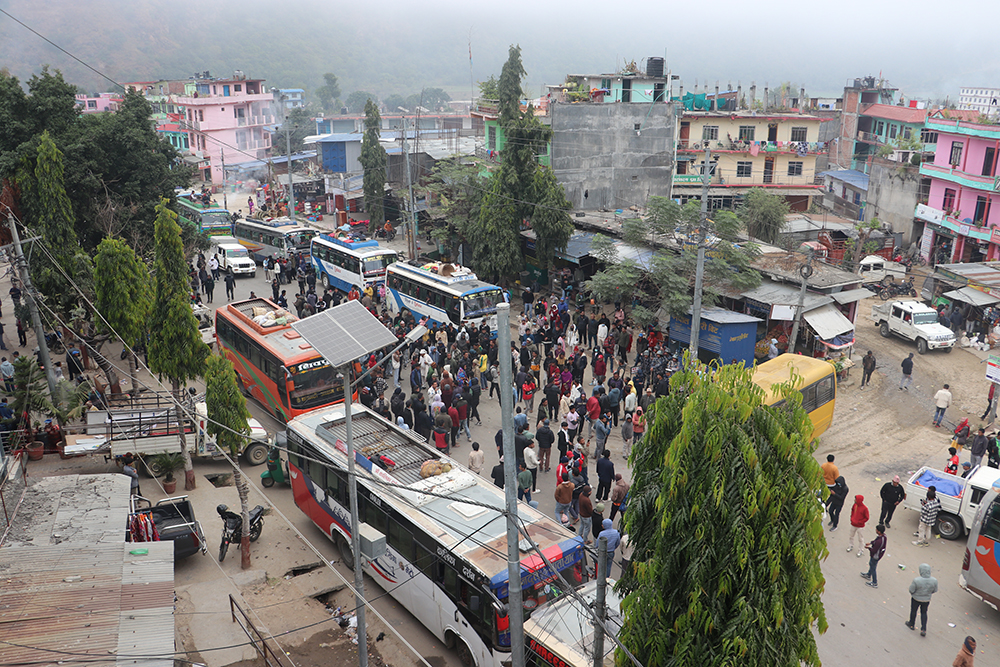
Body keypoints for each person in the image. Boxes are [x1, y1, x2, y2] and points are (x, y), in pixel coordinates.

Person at [905, 563, 939, 636]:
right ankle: (923, 629)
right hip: (926, 600)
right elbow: (935, 590)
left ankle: (911, 624)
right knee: (924, 613)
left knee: (913, 610)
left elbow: (911, 590)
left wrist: (914, 594)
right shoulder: (934, 580)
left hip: (916, 598)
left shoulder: (916, 580)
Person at [859, 524, 886, 589]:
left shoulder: (879, 542)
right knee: (871, 564)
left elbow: (874, 550)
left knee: (873, 567)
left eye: (876, 530)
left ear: (879, 531)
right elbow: (875, 541)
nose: (876, 530)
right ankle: (868, 575)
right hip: (878, 555)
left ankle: (874, 582)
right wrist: (871, 543)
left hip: (875, 556)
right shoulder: (883, 537)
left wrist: (868, 548)